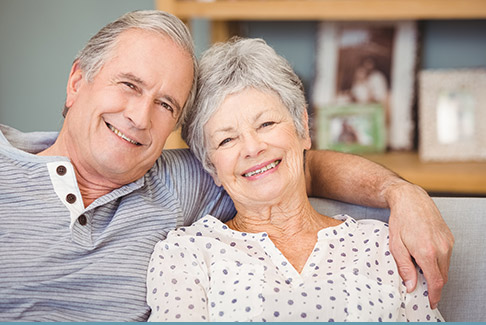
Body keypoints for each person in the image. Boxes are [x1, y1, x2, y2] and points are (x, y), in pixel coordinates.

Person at [0, 10, 452, 322]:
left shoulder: (175, 180)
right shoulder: (6, 171)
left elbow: (296, 168)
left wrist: (402, 194)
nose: (140, 117)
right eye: (128, 85)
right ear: (78, 81)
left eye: (165, 104)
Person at [146, 38, 445, 322]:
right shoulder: (188, 253)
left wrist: (401, 191)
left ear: (303, 127)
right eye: (227, 140)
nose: (252, 148)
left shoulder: (383, 244)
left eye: (266, 123)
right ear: (211, 167)